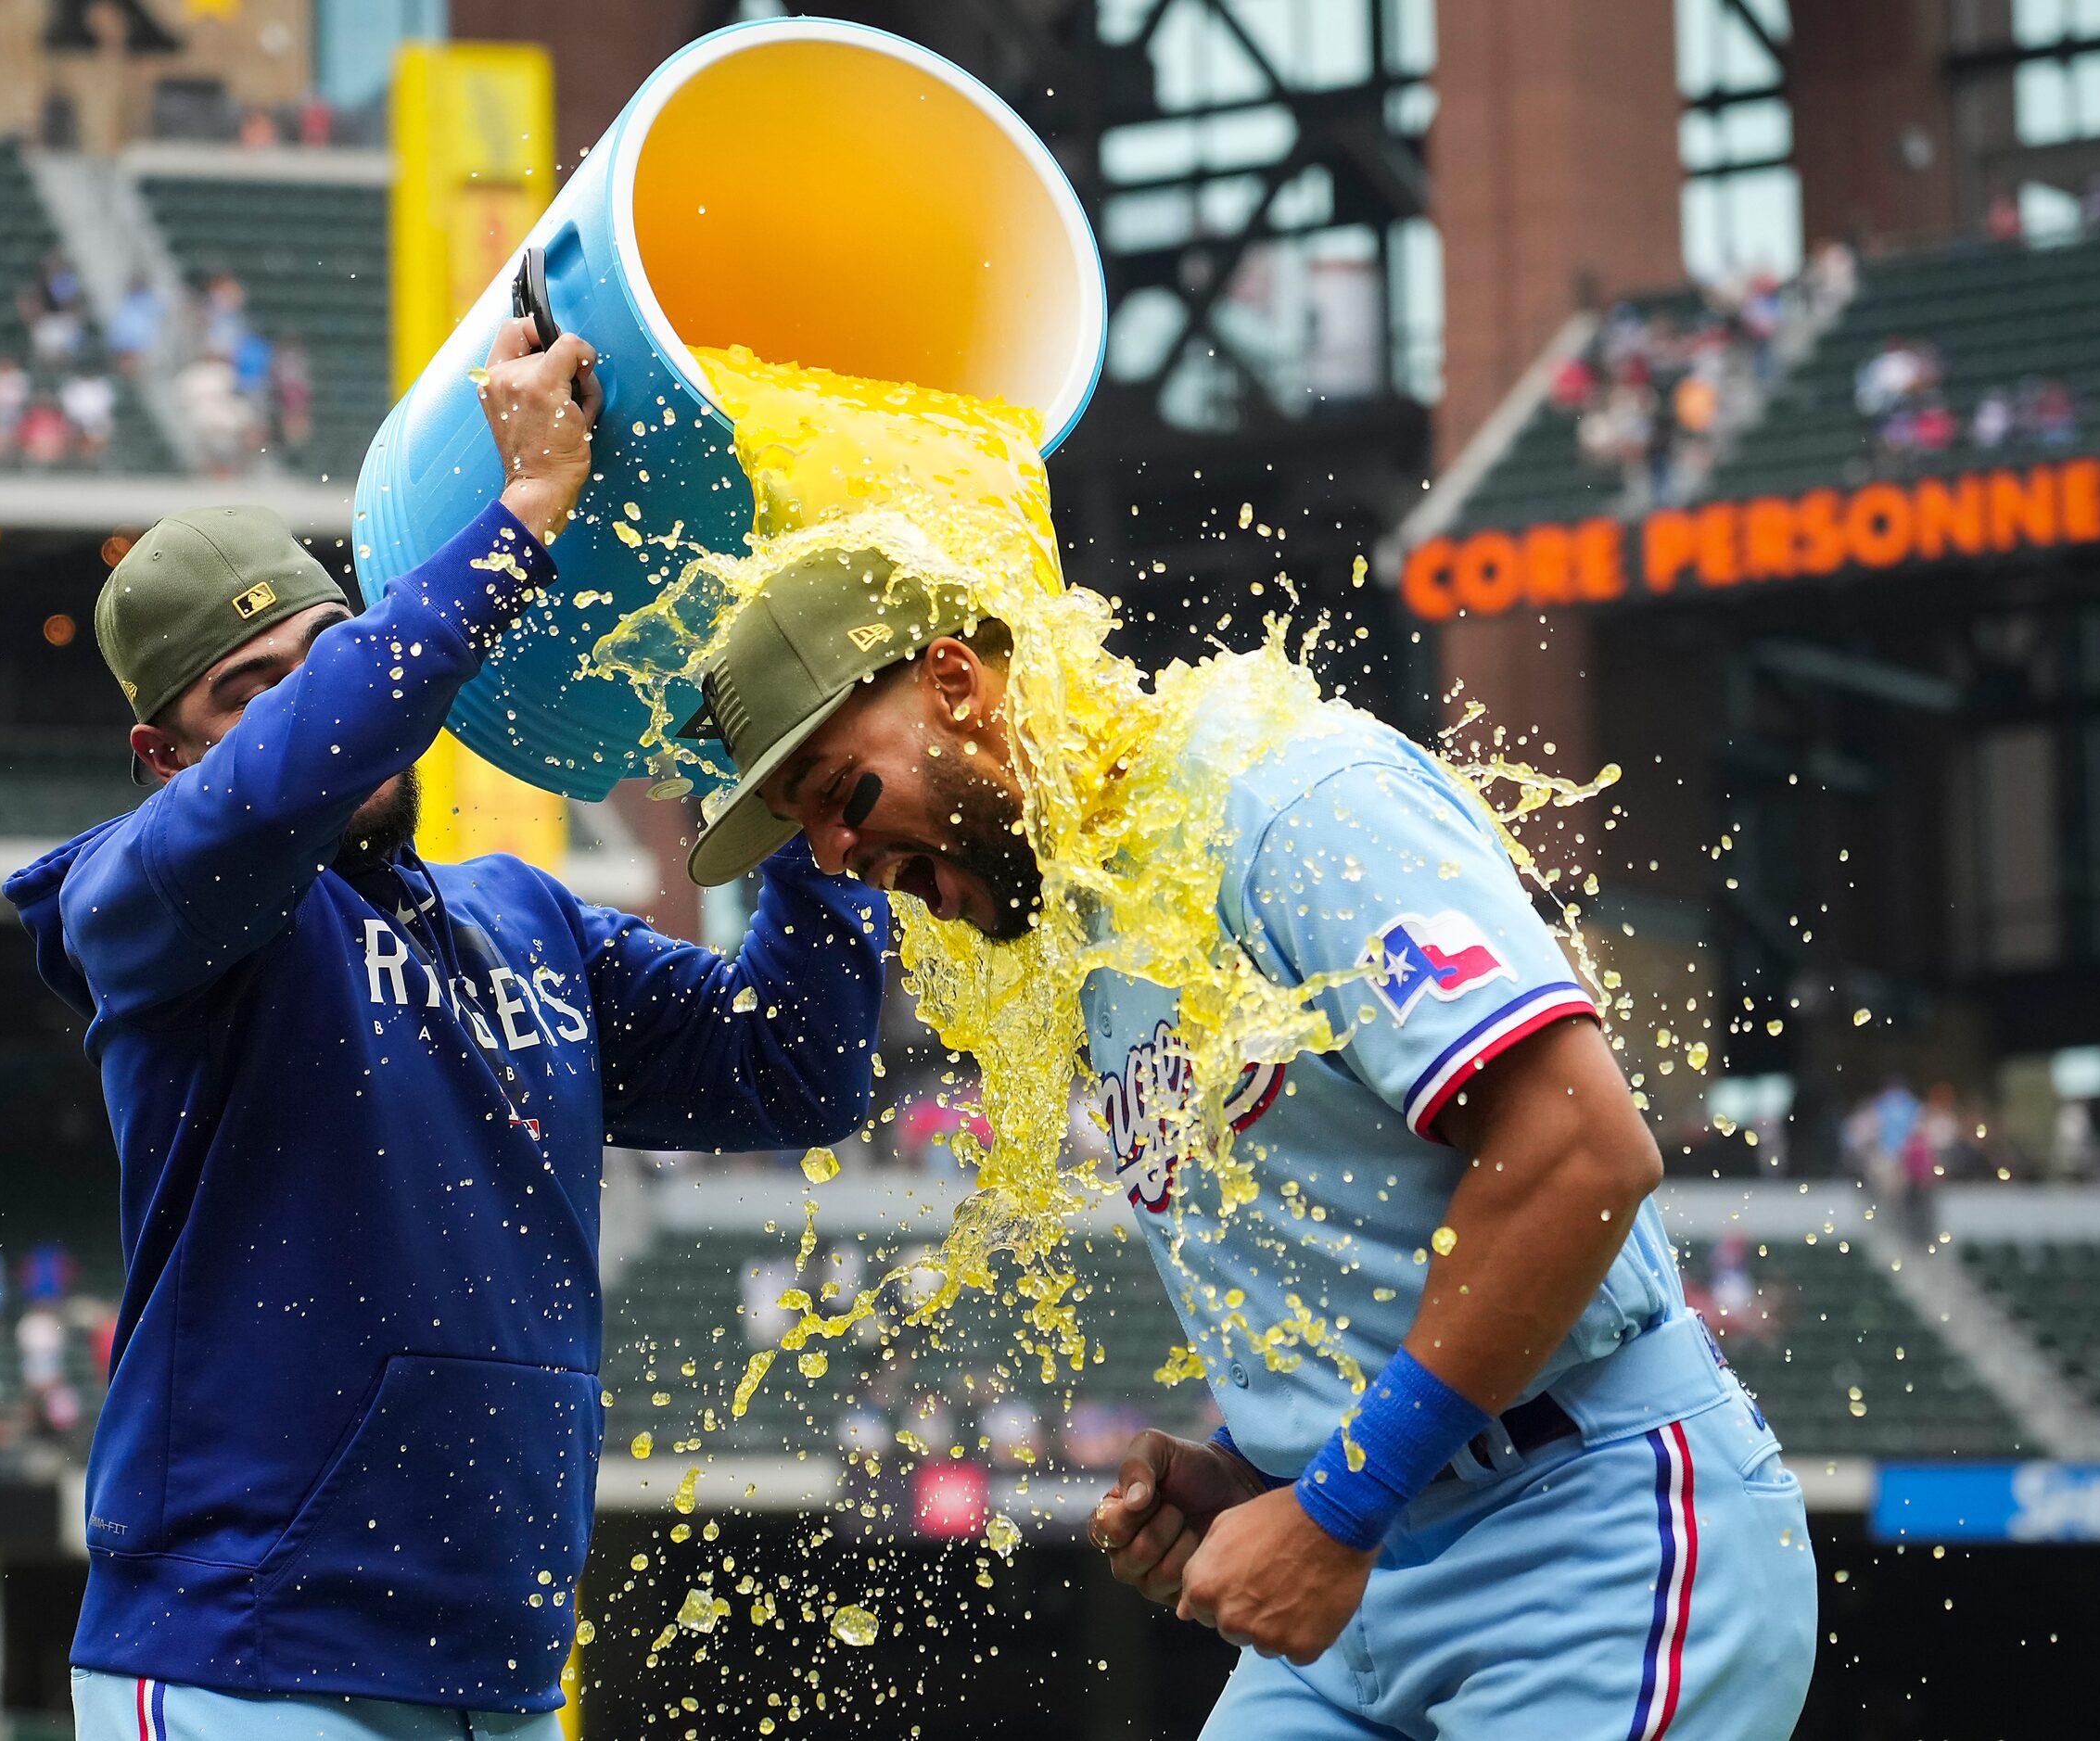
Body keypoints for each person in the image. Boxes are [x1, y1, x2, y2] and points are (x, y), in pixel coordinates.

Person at [680, 545, 1817, 1738]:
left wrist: (1337, 1501)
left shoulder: (1289, 799)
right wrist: (1264, 1462)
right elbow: (1350, 1213)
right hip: (1368, 1559)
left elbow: (1584, 1157)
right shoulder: (1095, 911)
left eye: (838, 792)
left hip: (1582, 1530)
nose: (833, 857)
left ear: (958, 685)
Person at [1, 316, 888, 1740]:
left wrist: (808, 783)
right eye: (250, 690)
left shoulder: (525, 917)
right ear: (166, 757)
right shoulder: (147, 900)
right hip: (251, 1656)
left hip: (500, 1672)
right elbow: (297, 767)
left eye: (326, 650)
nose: (309, 702)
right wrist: (525, 508)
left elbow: (797, 1068)